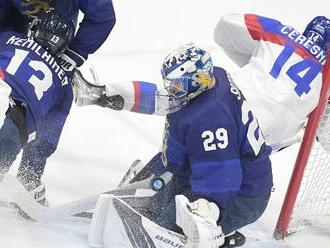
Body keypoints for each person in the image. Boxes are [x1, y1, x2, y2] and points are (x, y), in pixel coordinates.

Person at [87, 43, 273, 248]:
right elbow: (165, 100)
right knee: (154, 209)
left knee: (165, 226)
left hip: (239, 195)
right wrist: (110, 94)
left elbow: (221, 173)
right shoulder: (213, 78)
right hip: (207, 173)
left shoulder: (210, 120)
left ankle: (221, 236)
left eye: (176, 85)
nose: (171, 89)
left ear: (197, 80)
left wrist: (206, 213)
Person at [213, 14, 330, 151]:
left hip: (229, 106)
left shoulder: (279, 31)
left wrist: (257, 63)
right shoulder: (326, 80)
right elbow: (325, 136)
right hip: (262, 140)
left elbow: (224, 25)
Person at [0, 12, 75, 206]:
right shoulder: (64, 85)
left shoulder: (10, 37)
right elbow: (46, 140)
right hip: (15, 121)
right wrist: (29, 178)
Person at [0, 0, 116, 73]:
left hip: (55, 33)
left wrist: (75, 53)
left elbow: (103, 16)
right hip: (12, 23)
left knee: (56, 30)